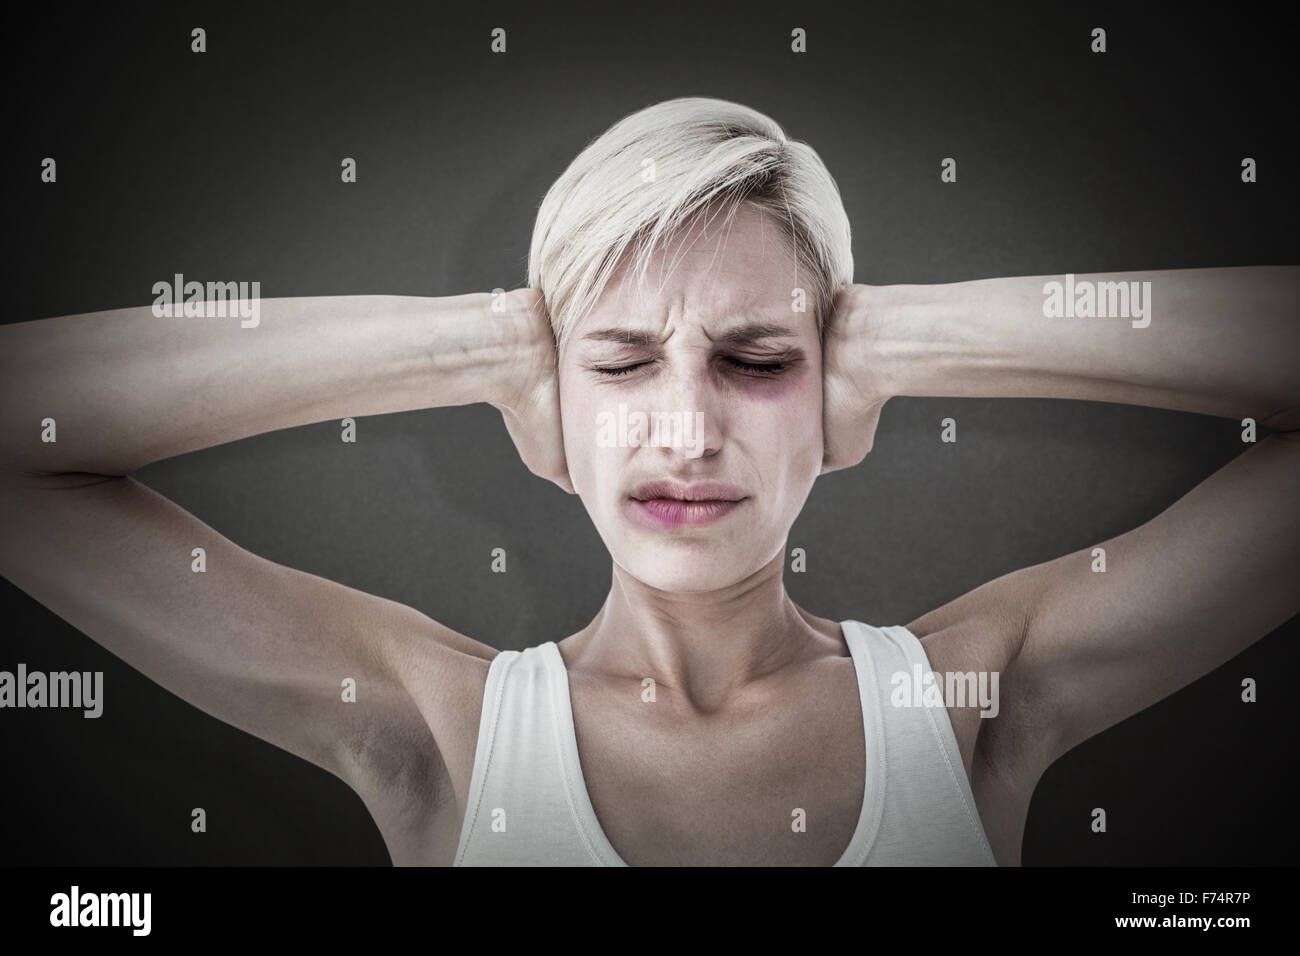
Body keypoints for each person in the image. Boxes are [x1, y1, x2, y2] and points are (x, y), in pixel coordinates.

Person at [1, 97, 1295, 866]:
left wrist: (910, 337)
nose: (685, 430)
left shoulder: (975, 699)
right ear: (552, 397)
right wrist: (485, 344)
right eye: (620, 364)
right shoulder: (434, 729)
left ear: (830, 391)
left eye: (757, 359)